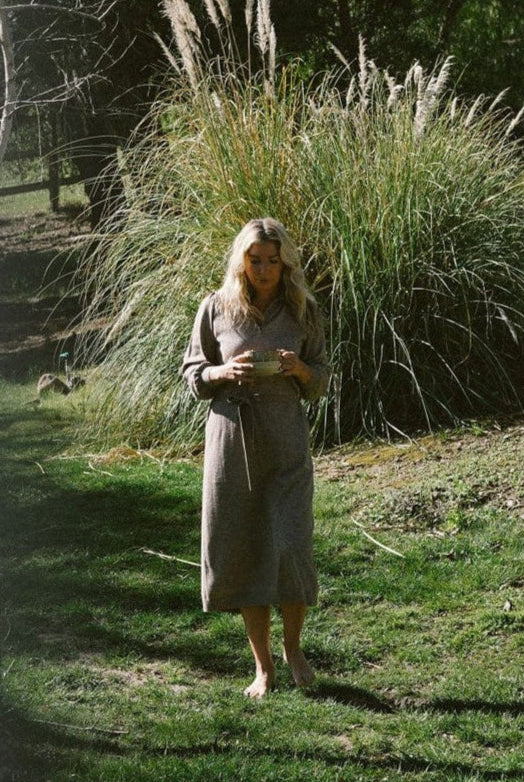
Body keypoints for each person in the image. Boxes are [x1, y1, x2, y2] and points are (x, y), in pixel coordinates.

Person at [181, 218, 330, 698]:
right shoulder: (216, 307)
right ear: (240, 260)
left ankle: (294, 648)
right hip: (231, 436)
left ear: (285, 262)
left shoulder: (303, 310)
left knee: (289, 544)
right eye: (254, 260)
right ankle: (262, 667)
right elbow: (193, 373)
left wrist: (300, 367)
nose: (263, 269)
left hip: (285, 435)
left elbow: (321, 378)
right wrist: (225, 371)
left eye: (272, 260)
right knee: (244, 547)